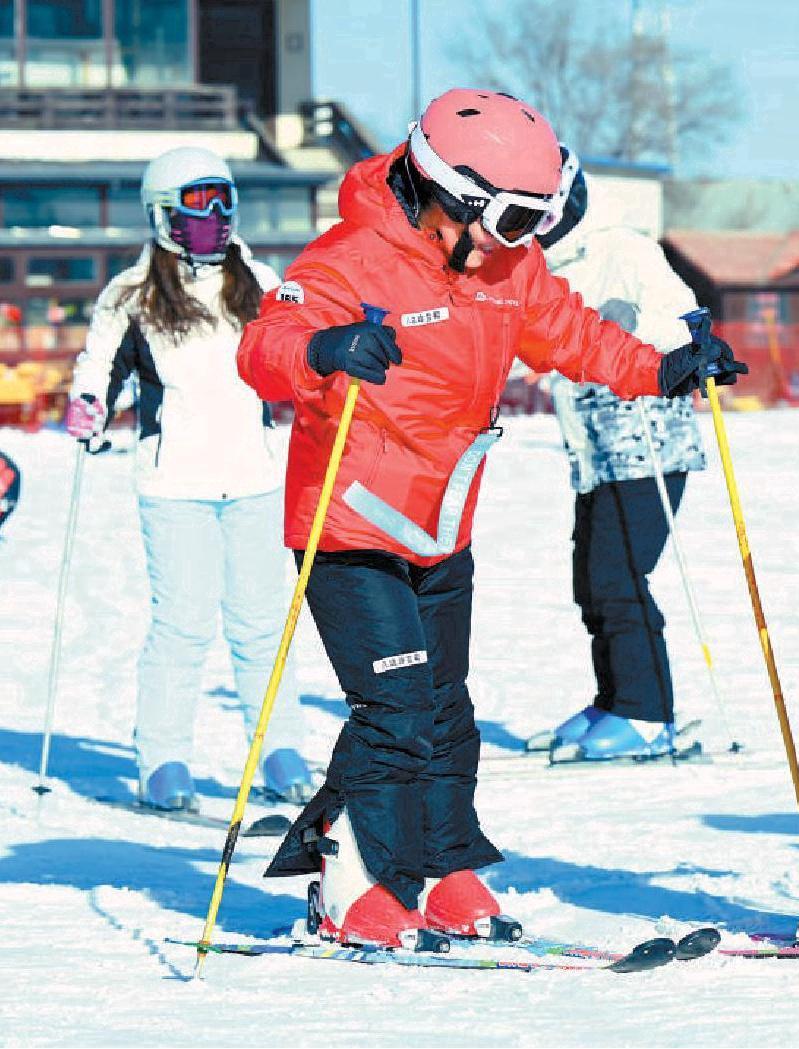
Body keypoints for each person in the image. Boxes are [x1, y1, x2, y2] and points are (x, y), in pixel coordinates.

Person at [236, 89, 744, 949]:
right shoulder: (349, 258)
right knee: (394, 708)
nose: (522, 242)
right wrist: (321, 351)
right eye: (510, 219)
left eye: (537, 223)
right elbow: (264, 347)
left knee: (444, 707)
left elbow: (575, 335)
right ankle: (350, 876)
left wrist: (665, 370)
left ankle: (435, 866)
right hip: (352, 525)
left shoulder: (509, 269)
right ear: (449, 194)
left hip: (442, 521)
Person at [64, 146, 311, 813]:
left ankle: (280, 746)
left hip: (253, 474)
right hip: (175, 484)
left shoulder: (256, 279)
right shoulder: (132, 294)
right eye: (198, 204)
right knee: (182, 624)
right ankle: (164, 757)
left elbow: (293, 348)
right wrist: (89, 402)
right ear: (162, 215)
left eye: (224, 201)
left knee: (262, 625)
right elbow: (99, 366)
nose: (215, 217)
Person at [533, 148, 709, 761]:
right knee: (590, 581)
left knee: (619, 576)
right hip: (592, 447)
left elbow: (685, 319)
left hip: (648, 443)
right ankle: (613, 698)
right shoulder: (529, 265)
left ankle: (646, 711)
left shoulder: (623, 248)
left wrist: (632, 323)